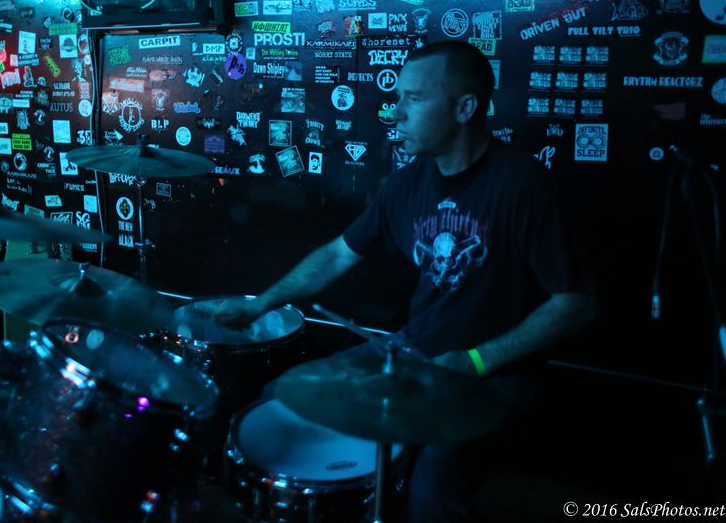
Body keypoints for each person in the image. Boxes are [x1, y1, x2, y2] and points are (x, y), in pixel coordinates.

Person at [212, 40, 595, 522]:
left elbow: (577, 304)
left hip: (495, 373)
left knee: (430, 490)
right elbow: (337, 255)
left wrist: (475, 360)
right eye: (398, 98)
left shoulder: (524, 187)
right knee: (280, 398)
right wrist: (259, 304)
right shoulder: (408, 183)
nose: (395, 113)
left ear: (465, 108)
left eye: (413, 99)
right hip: (412, 351)